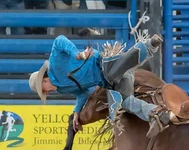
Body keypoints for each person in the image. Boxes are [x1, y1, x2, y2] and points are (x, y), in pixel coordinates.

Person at [28, 34, 174, 138]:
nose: (48, 93)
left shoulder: (55, 64)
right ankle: (156, 114)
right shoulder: (61, 88)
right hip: (112, 82)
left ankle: (149, 45)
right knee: (126, 102)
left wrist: (76, 55)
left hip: (105, 63)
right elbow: (82, 92)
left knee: (111, 72)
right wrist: (77, 111)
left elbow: (59, 40)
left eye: (44, 91)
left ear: (44, 81)